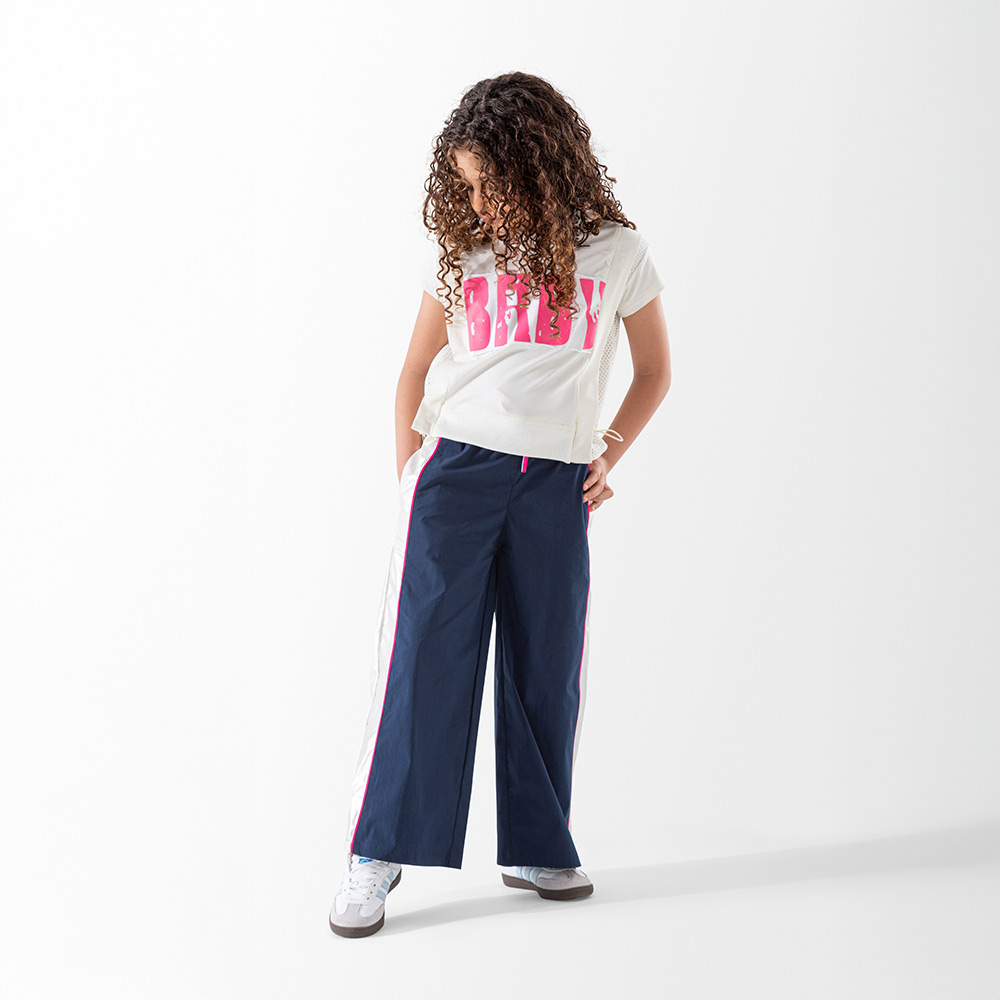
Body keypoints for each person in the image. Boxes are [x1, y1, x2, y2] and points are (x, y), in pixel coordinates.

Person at [329, 71, 672, 938]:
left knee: (546, 665)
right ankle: (378, 853)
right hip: (455, 476)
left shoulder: (618, 254)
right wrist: (410, 478)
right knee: (424, 663)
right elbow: (413, 372)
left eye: (489, 184)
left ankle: (536, 845)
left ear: (538, 168)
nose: (477, 204)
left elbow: (655, 372)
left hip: (554, 485)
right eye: (468, 186)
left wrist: (608, 451)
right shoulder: (462, 256)